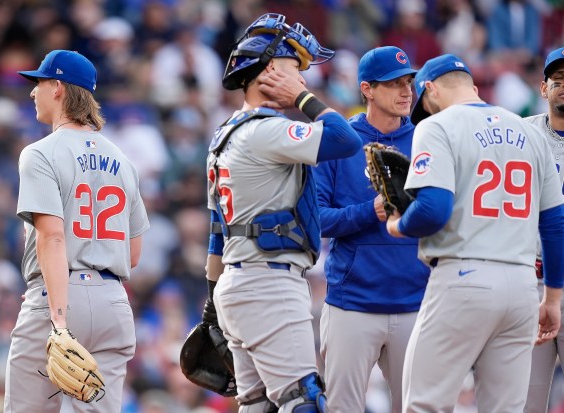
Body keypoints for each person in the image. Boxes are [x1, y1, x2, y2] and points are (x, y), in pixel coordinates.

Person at [386, 53, 564, 412]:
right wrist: (553, 298)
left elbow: (432, 211)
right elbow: (554, 223)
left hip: (464, 276)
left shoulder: (437, 126)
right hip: (522, 285)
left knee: (425, 404)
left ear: (430, 89)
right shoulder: (528, 131)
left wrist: (397, 224)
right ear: (472, 85)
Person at [204, 13, 362, 412]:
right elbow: (346, 139)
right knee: (303, 402)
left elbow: (216, 232)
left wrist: (212, 302)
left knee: (258, 406)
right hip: (268, 284)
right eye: (295, 69)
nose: (302, 80)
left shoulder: (224, 135)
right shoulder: (266, 130)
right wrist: (303, 101)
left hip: (236, 287)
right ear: (271, 69)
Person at [4, 50, 150, 412]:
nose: (32, 92)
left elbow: (52, 237)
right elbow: (132, 255)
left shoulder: (40, 153)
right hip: (113, 302)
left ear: (57, 87)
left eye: (38, 83)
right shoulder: (123, 160)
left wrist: (58, 317)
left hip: (57, 298)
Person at [314, 46, 429, 413]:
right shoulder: (339, 140)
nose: (406, 92)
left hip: (416, 300)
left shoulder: (427, 139)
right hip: (353, 303)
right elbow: (317, 219)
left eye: (408, 82)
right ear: (367, 89)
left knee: (418, 408)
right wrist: (372, 210)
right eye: (394, 84)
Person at [524, 46, 564, 413]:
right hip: (530, 281)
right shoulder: (523, 135)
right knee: (525, 401)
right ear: (543, 87)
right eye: (558, 79)